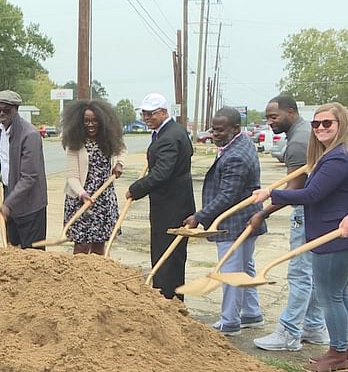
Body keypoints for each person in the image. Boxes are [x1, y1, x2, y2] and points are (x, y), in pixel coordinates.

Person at [252, 102, 348, 372]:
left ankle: (337, 354)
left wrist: (270, 194)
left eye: (327, 123)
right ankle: (345, 346)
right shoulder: (342, 152)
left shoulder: (340, 156)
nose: (320, 128)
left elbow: (311, 195)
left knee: (330, 295)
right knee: (340, 293)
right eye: (316, 124)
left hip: (336, 237)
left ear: (341, 124)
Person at [251, 94, 328, 352]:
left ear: (291, 113)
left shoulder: (298, 142)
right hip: (321, 212)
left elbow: (295, 188)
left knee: (299, 273)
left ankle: (289, 333)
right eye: (267, 118)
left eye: (274, 117)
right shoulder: (308, 132)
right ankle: (315, 326)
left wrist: (264, 212)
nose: (270, 122)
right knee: (314, 273)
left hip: (306, 213)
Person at [182, 107, 266, 335]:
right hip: (246, 220)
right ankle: (251, 313)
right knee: (245, 268)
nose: (214, 134)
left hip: (234, 222)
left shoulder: (236, 155)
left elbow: (228, 195)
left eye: (220, 130)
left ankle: (230, 322)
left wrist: (199, 217)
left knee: (229, 271)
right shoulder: (240, 143)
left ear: (235, 129)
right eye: (213, 129)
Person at [127, 93, 194, 301]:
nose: (146, 117)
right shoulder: (168, 132)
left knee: (167, 256)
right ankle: (171, 299)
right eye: (144, 113)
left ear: (163, 112)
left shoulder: (169, 137)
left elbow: (162, 173)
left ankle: (167, 301)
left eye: (151, 114)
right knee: (168, 255)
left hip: (172, 205)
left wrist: (136, 189)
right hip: (172, 202)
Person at [62, 99, 127, 255]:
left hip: (103, 200)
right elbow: (72, 176)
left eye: (95, 121)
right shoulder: (75, 143)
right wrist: (82, 194)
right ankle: (78, 277)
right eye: (86, 121)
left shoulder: (109, 139)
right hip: (81, 200)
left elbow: (122, 150)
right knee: (81, 247)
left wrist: (119, 164)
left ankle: (98, 278)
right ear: (79, 122)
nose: (91, 124)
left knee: (99, 245)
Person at [0, 90, 48, 249]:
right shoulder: (1, 130)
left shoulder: (30, 135)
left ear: (16, 110)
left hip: (30, 205)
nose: (2, 114)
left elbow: (29, 177)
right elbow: (5, 155)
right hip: (11, 198)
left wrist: (8, 204)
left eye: (6, 110)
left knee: (32, 255)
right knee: (13, 251)